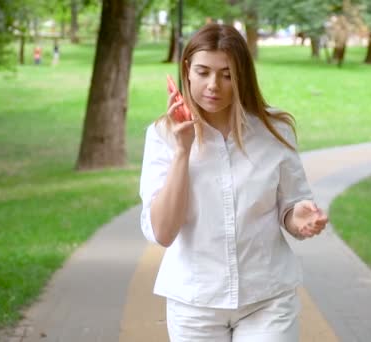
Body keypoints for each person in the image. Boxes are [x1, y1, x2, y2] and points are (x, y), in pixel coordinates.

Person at [139, 23, 328, 342]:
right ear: (186, 71)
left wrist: (301, 218)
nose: (214, 85)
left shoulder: (274, 130)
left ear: (243, 75)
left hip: (267, 298)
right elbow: (163, 232)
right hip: (195, 303)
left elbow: (292, 207)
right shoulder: (162, 135)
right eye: (203, 72)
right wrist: (182, 152)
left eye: (227, 74)